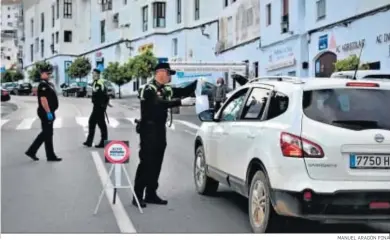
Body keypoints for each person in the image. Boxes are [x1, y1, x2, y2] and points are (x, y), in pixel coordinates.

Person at [133, 62, 196, 208]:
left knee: (157, 163)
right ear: (160, 72)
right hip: (148, 130)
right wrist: (180, 102)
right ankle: (137, 195)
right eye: (168, 73)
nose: (170, 77)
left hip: (160, 130)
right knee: (146, 163)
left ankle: (151, 193)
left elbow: (182, 91)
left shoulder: (166, 89)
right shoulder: (147, 89)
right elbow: (158, 103)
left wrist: (196, 85)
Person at [25, 66, 61, 161]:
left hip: (48, 111)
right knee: (47, 133)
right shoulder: (43, 85)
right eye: (47, 73)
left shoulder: (47, 84)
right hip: (45, 112)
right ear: (42, 74)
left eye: (49, 73)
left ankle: (34, 152)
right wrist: (48, 112)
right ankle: (47, 155)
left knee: (47, 133)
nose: (49, 75)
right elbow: (43, 100)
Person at [83, 69, 111, 148]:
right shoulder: (95, 82)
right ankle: (89, 141)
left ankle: (103, 142)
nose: (93, 75)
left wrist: (104, 105)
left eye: (94, 74)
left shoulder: (99, 83)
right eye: (92, 74)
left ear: (98, 74)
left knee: (101, 124)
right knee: (92, 122)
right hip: (96, 106)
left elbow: (103, 95)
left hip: (99, 107)